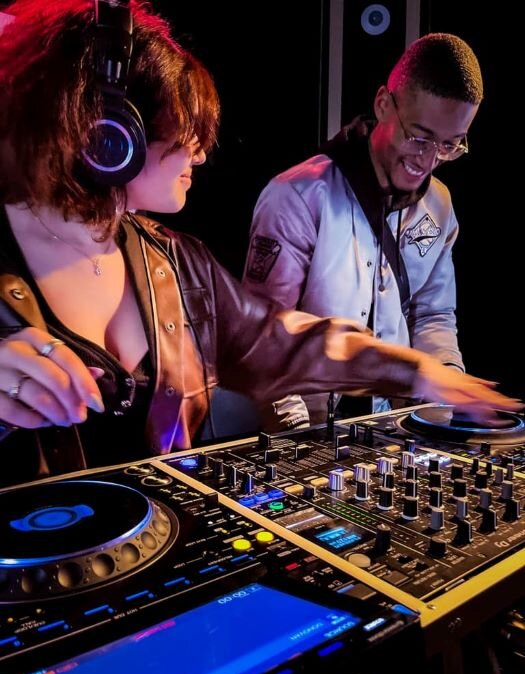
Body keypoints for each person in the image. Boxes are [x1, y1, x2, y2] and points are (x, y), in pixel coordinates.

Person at [0, 3, 518, 488]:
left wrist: (422, 371)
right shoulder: (301, 195)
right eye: (185, 133)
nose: (200, 156)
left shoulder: (180, 265)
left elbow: (282, 340)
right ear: (110, 135)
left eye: (447, 145)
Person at [243, 33, 484, 430]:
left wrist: (447, 408)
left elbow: (433, 317)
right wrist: (297, 446)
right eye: (419, 137)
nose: (428, 160)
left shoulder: (440, 205)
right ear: (383, 104)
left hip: (395, 428)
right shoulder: (298, 196)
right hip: (308, 427)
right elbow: (264, 338)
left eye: (450, 145)